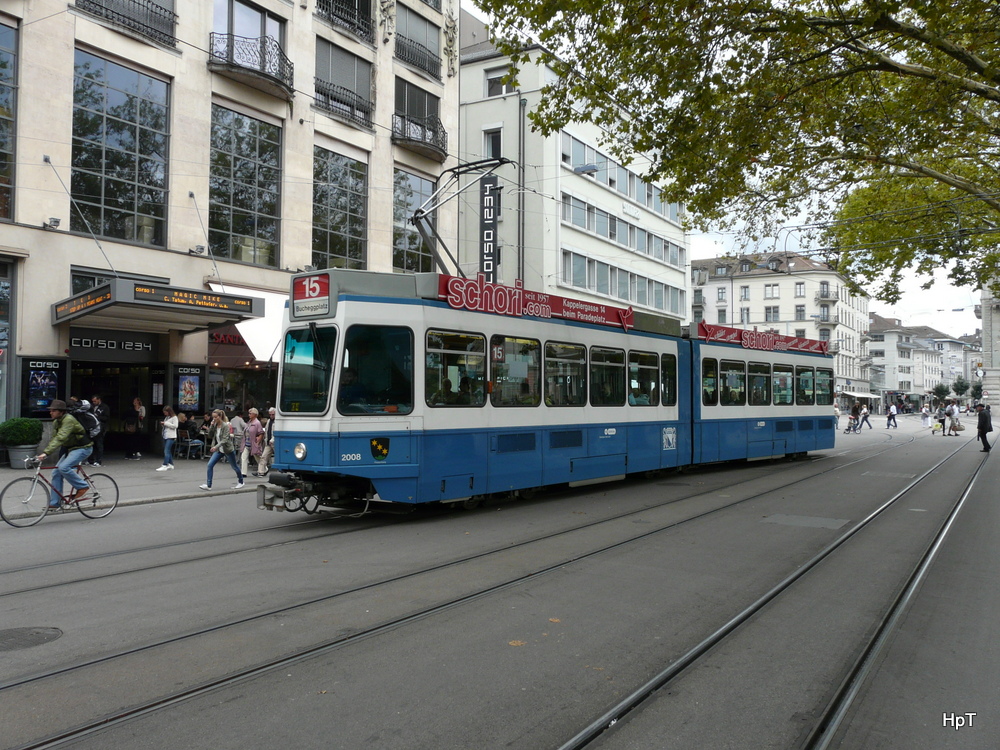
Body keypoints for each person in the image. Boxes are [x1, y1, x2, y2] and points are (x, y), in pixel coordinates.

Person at [36, 399, 93, 509]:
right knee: (56, 472)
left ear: (61, 412)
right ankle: (55, 503)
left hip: (83, 448)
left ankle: (82, 487)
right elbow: (54, 439)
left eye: (53, 410)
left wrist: (46, 453)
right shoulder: (56, 422)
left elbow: (61, 437)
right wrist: (46, 453)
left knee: (64, 467)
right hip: (71, 449)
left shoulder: (68, 420)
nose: (50, 412)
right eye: (50, 410)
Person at [199, 409, 244, 490]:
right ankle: (209, 485)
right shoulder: (215, 425)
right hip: (219, 450)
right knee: (210, 465)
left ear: (219, 417)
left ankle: (241, 481)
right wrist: (212, 426)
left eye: (215, 417)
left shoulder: (225, 426)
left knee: (234, 467)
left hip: (227, 449)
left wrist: (216, 446)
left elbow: (225, 439)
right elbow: (210, 435)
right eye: (213, 417)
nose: (214, 419)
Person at [241, 407, 264, 477]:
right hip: (247, 443)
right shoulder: (249, 422)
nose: (249, 415)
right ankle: (243, 473)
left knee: (257, 457)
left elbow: (261, 432)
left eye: (250, 413)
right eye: (249, 413)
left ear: (255, 414)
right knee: (243, 457)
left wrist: (258, 440)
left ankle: (264, 468)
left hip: (253, 443)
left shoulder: (257, 423)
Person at [89, 394, 109, 466]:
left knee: (99, 444)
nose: (94, 402)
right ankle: (90, 460)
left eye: (95, 401)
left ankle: (98, 460)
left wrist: (97, 416)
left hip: (100, 427)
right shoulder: (91, 406)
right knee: (91, 444)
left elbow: (106, 418)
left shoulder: (104, 407)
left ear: (99, 399)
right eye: (93, 401)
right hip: (92, 427)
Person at [255, 406, 276, 477]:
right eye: (270, 414)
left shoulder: (277, 421)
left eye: (273, 414)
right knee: (263, 457)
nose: (271, 416)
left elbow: (277, 433)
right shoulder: (269, 421)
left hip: (275, 442)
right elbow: (267, 430)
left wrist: (272, 440)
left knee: (280, 457)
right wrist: (265, 439)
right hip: (268, 442)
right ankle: (260, 471)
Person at [157, 405, 178, 471]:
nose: (165, 414)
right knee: (167, 450)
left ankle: (165, 464)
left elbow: (175, 426)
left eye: (165, 412)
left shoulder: (174, 418)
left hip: (171, 436)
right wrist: (163, 424)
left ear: (169, 412)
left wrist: (165, 423)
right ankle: (171, 464)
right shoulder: (167, 418)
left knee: (166, 450)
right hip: (165, 435)